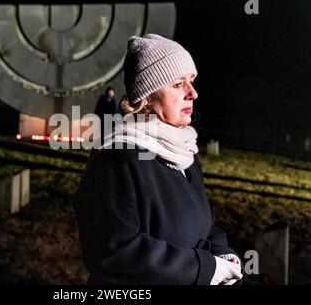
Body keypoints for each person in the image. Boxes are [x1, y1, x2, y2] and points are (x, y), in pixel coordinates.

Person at [73, 34, 243, 285]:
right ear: (147, 98)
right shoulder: (117, 158)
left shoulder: (184, 151)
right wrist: (205, 269)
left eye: (192, 81)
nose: (193, 93)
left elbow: (203, 225)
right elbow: (113, 252)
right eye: (177, 84)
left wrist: (223, 253)